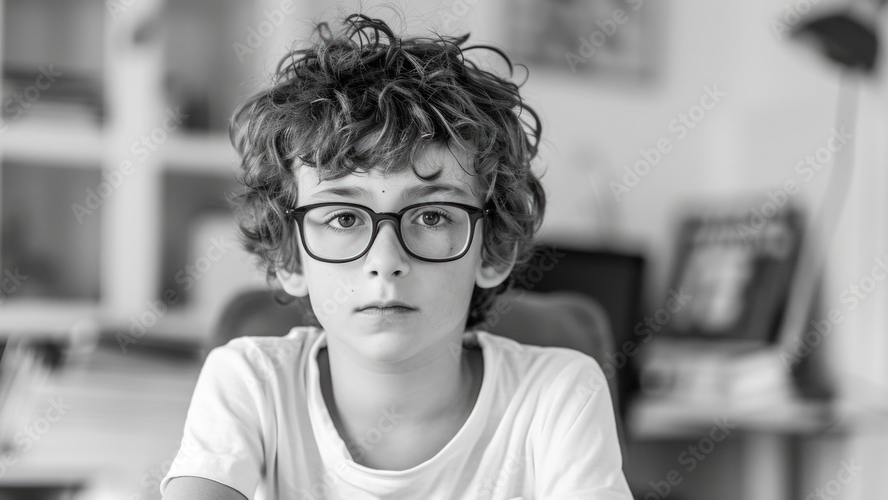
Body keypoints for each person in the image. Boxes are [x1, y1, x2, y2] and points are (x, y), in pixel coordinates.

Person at [161, 13, 632, 500]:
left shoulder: (558, 396)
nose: (385, 261)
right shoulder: (251, 382)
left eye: (431, 217)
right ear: (291, 257)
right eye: (344, 218)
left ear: (493, 249)